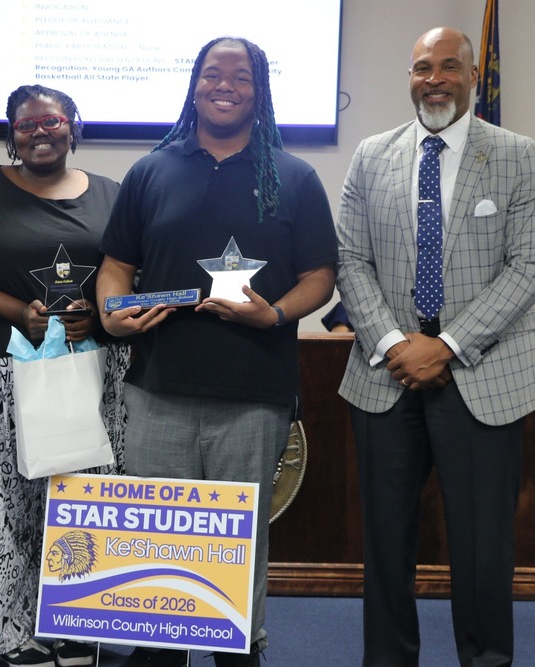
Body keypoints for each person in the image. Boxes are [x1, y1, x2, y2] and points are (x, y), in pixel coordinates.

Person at [97, 37, 338, 667]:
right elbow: (116, 265)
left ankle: (239, 651)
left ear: (260, 91)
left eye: (240, 77)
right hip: (157, 391)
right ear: (194, 85)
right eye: (212, 74)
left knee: (236, 544)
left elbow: (320, 275)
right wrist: (112, 315)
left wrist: (276, 313)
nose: (224, 85)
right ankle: (157, 654)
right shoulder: (152, 170)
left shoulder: (295, 177)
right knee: (160, 543)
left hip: (252, 394)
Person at [335, 27, 535, 666]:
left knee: (483, 547)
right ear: (410, 77)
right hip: (385, 376)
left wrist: (449, 345)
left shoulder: (517, 154)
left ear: (470, 76)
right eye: (421, 68)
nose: (434, 78)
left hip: (485, 377)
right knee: (384, 545)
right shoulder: (372, 155)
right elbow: (350, 259)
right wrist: (391, 343)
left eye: (449, 67)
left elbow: (532, 266)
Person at [0, 84, 130, 667]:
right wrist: (18, 311)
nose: (39, 133)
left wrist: (96, 315)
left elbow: (128, 267)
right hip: (2, 370)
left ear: (72, 126)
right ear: (12, 134)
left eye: (51, 122)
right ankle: (5, 631)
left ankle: (74, 626)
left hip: (88, 366)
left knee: (77, 498)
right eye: (25, 126)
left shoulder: (112, 195)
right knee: (3, 501)